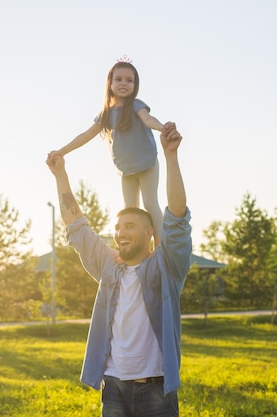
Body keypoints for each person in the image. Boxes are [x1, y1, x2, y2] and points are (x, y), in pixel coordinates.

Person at [46, 122, 191, 416]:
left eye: (129, 226)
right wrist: (61, 175)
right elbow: (77, 227)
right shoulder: (109, 267)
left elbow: (177, 217)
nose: (120, 233)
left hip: (156, 388)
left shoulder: (166, 267)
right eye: (117, 227)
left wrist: (171, 157)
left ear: (151, 232)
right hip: (113, 387)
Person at [49, 56, 167, 247]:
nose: (124, 83)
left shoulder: (136, 105)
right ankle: (136, 247)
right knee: (130, 210)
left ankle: (160, 245)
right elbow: (85, 136)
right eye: (119, 79)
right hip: (126, 170)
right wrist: (62, 151)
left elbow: (148, 119)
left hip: (147, 164)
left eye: (129, 80)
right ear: (110, 83)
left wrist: (163, 127)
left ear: (135, 85)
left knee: (150, 203)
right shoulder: (106, 114)